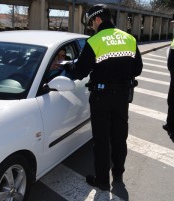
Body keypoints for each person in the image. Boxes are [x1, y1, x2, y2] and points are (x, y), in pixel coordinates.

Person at [65, 4, 143, 191]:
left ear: (98, 19)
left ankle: (102, 181)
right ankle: (118, 174)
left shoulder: (94, 41)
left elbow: (80, 72)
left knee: (101, 140)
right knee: (119, 137)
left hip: (101, 97)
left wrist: (68, 66)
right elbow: (137, 69)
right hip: (122, 96)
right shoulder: (129, 38)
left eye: (91, 22)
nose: (91, 26)